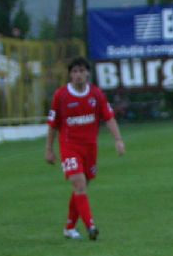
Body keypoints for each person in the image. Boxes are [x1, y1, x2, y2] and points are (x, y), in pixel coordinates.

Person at [44, 56, 125, 241]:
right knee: (79, 184)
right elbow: (52, 124)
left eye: (81, 71)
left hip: (90, 149)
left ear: (87, 73)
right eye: (74, 72)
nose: (78, 75)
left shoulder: (96, 94)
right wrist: (49, 149)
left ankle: (69, 227)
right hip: (69, 147)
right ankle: (91, 226)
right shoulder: (61, 95)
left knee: (81, 187)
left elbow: (109, 117)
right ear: (70, 75)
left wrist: (118, 140)